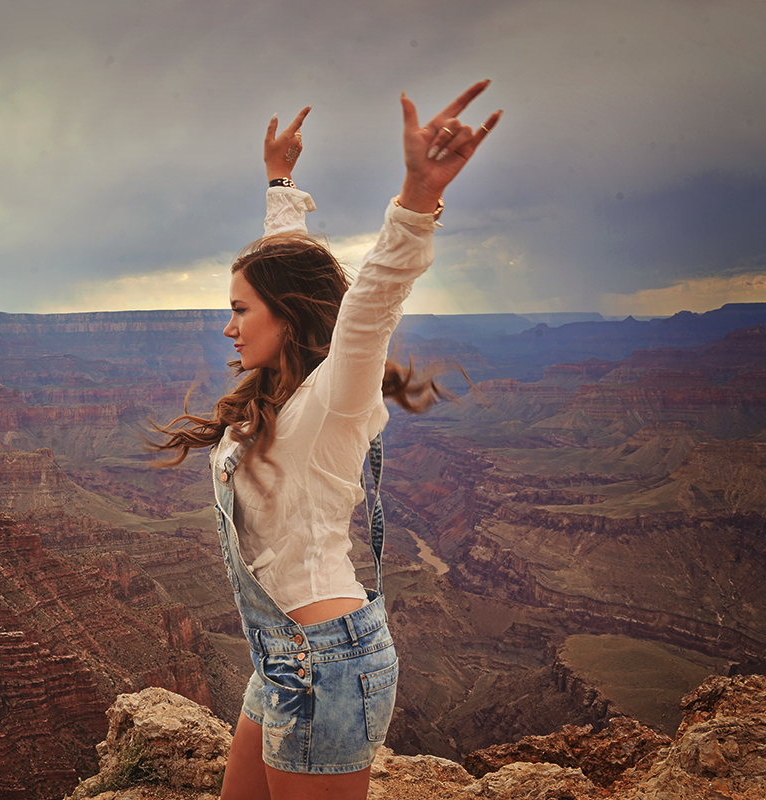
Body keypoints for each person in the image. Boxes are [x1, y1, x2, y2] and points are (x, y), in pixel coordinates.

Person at [155, 81, 501, 799]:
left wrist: (417, 197)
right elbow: (293, 264)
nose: (228, 327)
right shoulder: (283, 389)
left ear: (283, 315)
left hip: (326, 662)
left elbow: (372, 301)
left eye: (239, 310)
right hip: (282, 655)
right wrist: (281, 183)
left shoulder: (335, 399)